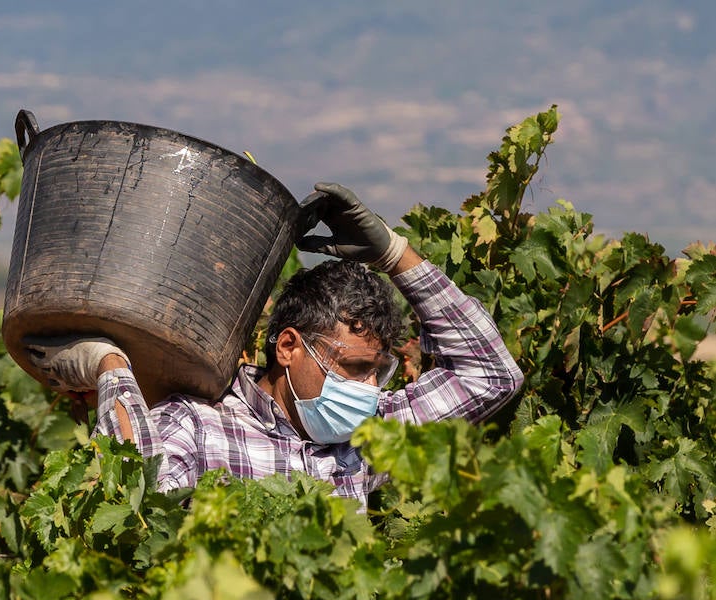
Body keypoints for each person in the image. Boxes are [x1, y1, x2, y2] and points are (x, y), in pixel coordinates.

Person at [26, 184, 523, 510]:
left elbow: (493, 375)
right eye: (353, 368)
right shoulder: (200, 426)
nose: (370, 391)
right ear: (289, 347)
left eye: (379, 372)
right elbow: (134, 496)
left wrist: (396, 256)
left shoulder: (373, 439)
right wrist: (110, 366)